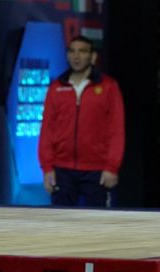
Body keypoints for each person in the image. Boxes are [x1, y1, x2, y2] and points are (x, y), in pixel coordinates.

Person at [37, 35, 125, 207]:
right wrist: (47, 167)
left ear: (93, 57)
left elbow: (116, 130)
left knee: (97, 225)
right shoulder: (56, 87)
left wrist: (112, 167)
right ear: (67, 55)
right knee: (61, 225)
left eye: (82, 51)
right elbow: (47, 129)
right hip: (62, 169)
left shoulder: (108, 87)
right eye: (72, 51)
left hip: (97, 171)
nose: (76, 56)